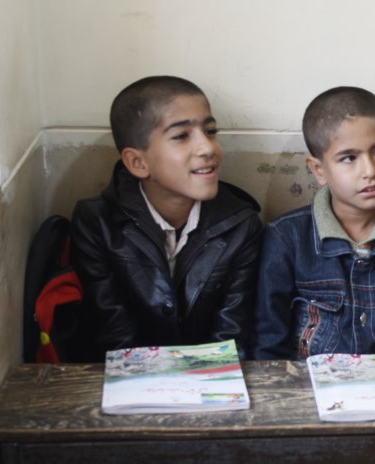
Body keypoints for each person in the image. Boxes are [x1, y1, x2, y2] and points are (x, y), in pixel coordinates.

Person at [71, 75, 263, 360]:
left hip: (213, 377)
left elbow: (230, 338)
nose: (208, 148)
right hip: (129, 378)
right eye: (181, 136)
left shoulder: (241, 225)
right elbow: (114, 336)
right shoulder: (97, 223)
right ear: (138, 162)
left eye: (210, 131)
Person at [253, 86, 375, 360]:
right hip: (304, 384)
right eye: (349, 158)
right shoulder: (286, 238)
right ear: (318, 170)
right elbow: (268, 341)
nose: (370, 170)